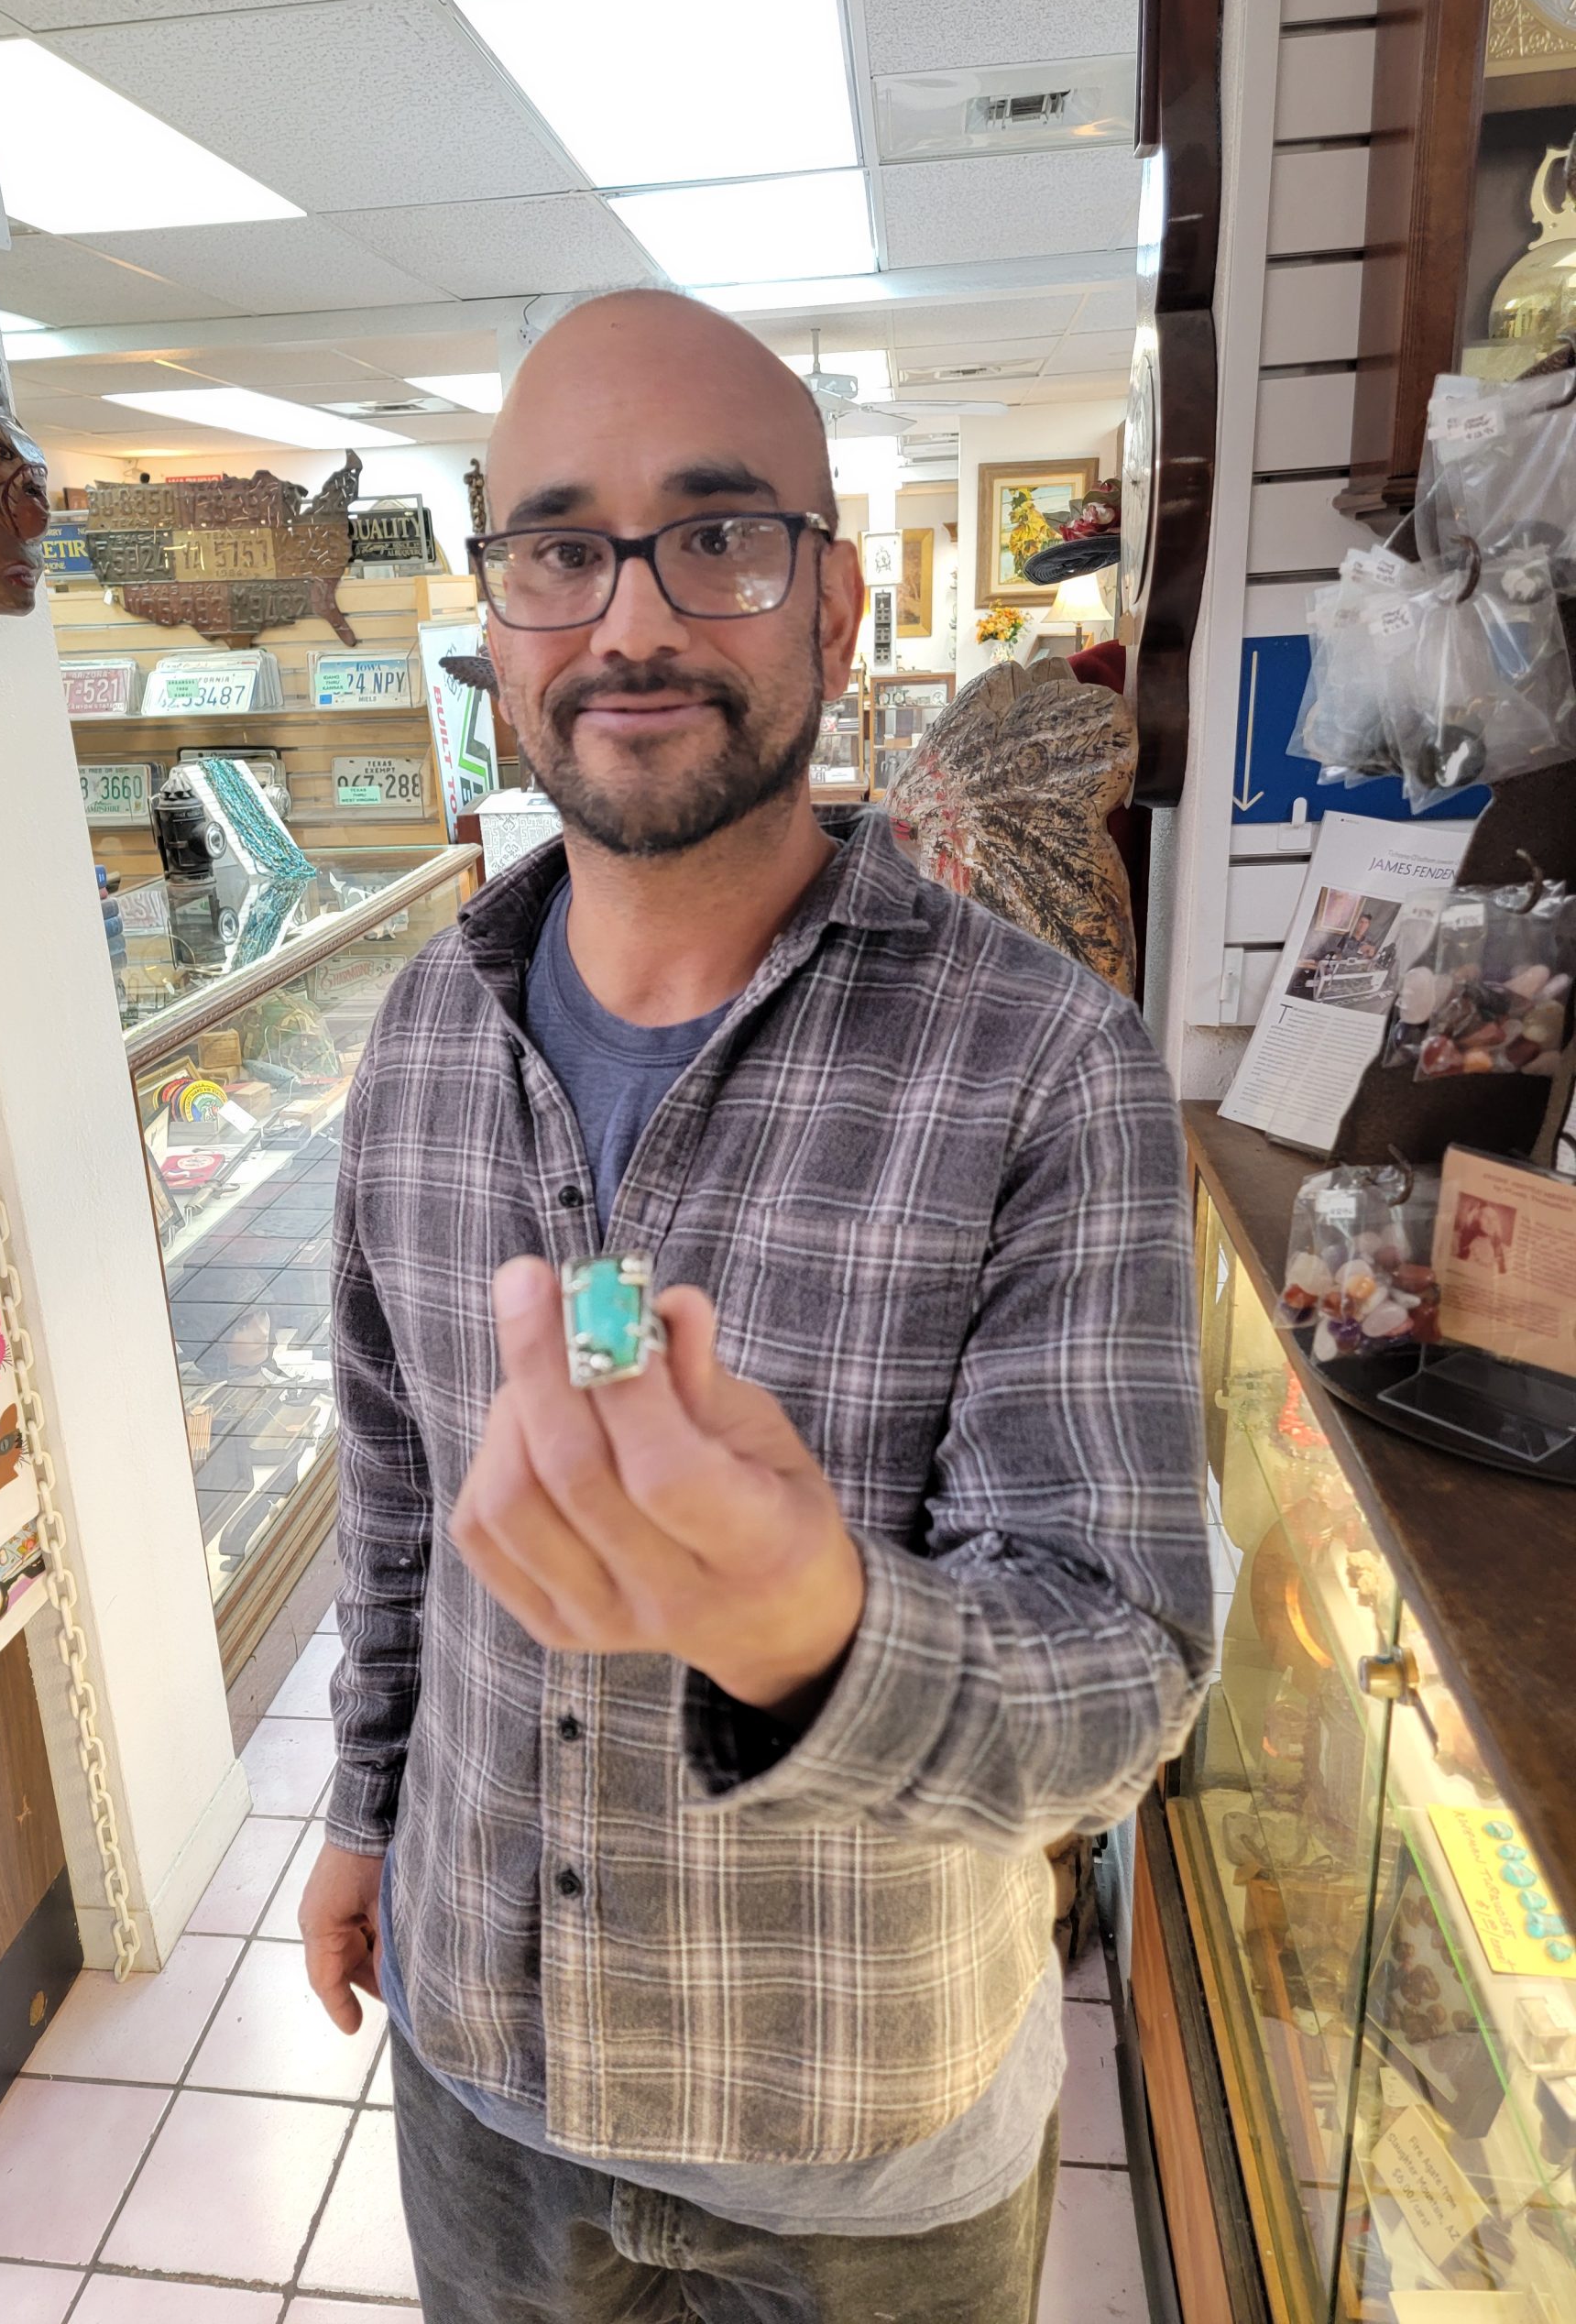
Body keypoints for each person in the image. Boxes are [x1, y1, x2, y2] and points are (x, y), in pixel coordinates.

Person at [301, 289, 1212, 2324]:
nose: (630, 619)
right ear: (499, 622)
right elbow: (393, 1502)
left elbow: (1128, 1668)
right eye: (561, 549)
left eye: (716, 536)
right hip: (485, 2075)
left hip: (863, 2141)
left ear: (838, 602)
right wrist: (362, 1812)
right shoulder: (421, 1036)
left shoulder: (1046, 1066)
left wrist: (820, 1630)